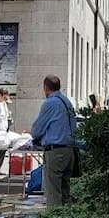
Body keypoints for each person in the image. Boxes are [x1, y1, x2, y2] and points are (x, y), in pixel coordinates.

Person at [31, 75, 77, 207]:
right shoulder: (66, 101)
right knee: (65, 192)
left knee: (53, 194)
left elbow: (37, 129)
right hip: (69, 151)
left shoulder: (50, 103)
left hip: (56, 152)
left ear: (45, 88)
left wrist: (35, 137)